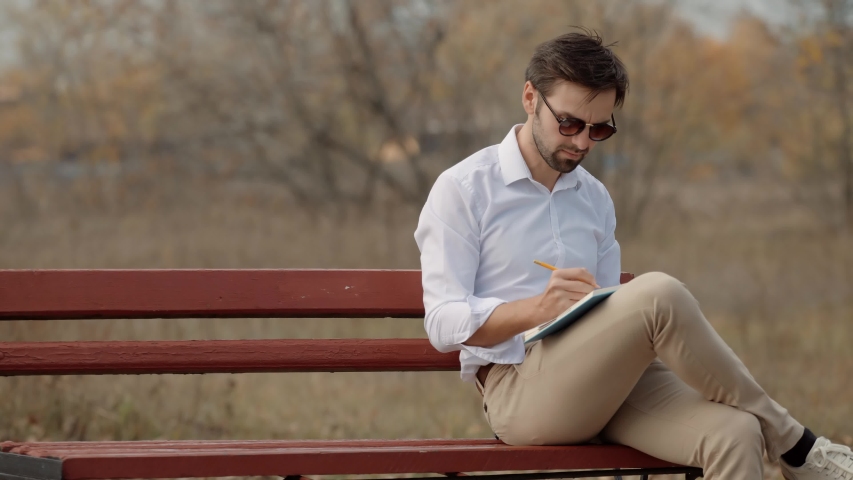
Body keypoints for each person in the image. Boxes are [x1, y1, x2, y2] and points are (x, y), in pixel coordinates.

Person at [413, 30, 853, 480]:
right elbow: (443, 323)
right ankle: (796, 446)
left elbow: (607, 308)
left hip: (608, 381)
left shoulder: (594, 198)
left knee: (736, 433)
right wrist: (536, 310)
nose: (583, 142)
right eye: (569, 123)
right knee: (658, 291)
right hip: (519, 389)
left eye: (599, 128)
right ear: (530, 97)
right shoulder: (464, 189)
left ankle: (779, 439)